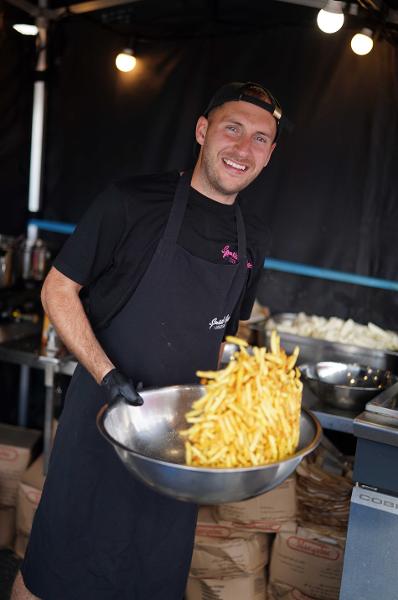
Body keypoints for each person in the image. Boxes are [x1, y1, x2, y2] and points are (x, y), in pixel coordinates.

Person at [12, 80, 282, 600]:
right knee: (54, 569)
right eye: (232, 128)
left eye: (260, 138)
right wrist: (108, 375)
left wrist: (229, 410)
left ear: (270, 155)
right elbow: (58, 290)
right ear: (203, 131)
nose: (243, 148)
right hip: (101, 420)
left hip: (177, 448)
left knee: (151, 576)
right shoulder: (131, 202)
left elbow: (224, 335)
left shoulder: (256, 239)